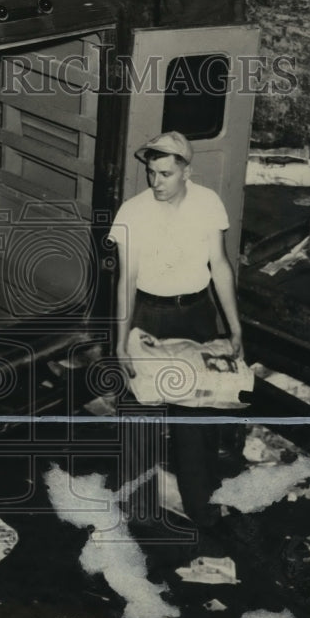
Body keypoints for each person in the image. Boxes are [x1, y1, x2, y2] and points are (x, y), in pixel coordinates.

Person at [109, 132, 244, 529]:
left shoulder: (208, 204)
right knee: (140, 412)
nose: (156, 183)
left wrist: (235, 328)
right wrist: (121, 342)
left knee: (197, 413)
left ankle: (201, 504)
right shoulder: (132, 212)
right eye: (151, 173)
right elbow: (126, 280)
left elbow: (219, 266)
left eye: (166, 174)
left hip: (196, 315)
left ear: (188, 171)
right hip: (150, 316)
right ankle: (137, 506)